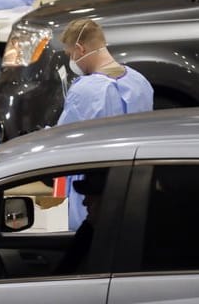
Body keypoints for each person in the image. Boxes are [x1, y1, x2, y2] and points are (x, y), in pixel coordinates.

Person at [57, 18, 154, 230]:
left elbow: (63, 139)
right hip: (136, 186)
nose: (70, 60)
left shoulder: (85, 91)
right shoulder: (140, 82)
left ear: (80, 49)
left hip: (95, 191)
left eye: (69, 53)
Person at [54, 172, 105, 275]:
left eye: (91, 196)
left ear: (108, 199)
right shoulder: (88, 231)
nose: (84, 202)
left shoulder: (117, 242)